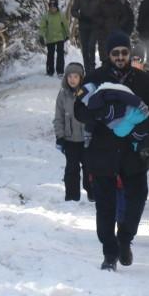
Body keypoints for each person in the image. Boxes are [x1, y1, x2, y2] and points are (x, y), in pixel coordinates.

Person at [75, 30, 149, 270]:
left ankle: (125, 239)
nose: (121, 57)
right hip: (102, 151)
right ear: (108, 55)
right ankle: (109, 253)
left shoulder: (142, 79)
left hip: (133, 151)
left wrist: (143, 127)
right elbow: (79, 111)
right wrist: (101, 114)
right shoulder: (96, 78)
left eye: (124, 52)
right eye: (116, 53)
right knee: (105, 205)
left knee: (137, 198)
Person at [53, 62, 93, 202]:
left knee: (89, 167)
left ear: (81, 78)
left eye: (76, 76)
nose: (72, 79)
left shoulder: (87, 93)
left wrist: (93, 132)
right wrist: (60, 136)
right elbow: (58, 118)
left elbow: (93, 114)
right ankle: (71, 195)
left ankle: (92, 192)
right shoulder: (63, 95)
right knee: (71, 169)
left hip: (86, 139)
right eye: (70, 76)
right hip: (70, 140)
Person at [94, 0, 135, 65]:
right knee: (104, 55)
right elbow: (96, 16)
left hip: (115, 31)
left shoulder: (119, 4)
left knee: (115, 53)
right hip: (103, 32)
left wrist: (119, 24)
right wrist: (102, 23)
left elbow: (125, 16)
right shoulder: (101, 4)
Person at [70, 0, 100, 70]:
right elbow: (73, 10)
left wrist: (97, 18)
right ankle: (87, 68)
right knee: (85, 48)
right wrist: (80, 16)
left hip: (94, 26)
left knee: (91, 46)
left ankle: (92, 67)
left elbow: (103, 11)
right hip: (83, 26)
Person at [38, 0, 70, 77]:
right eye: (51, 7)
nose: (53, 9)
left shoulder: (61, 15)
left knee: (60, 54)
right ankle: (50, 71)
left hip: (60, 37)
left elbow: (65, 25)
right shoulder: (46, 16)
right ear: (49, 7)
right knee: (50, 54)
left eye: (54, 7)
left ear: (57, 7)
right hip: (50, 38)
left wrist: (67, 34)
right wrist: (41, 35)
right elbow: (43, 27)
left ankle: (60, 71)